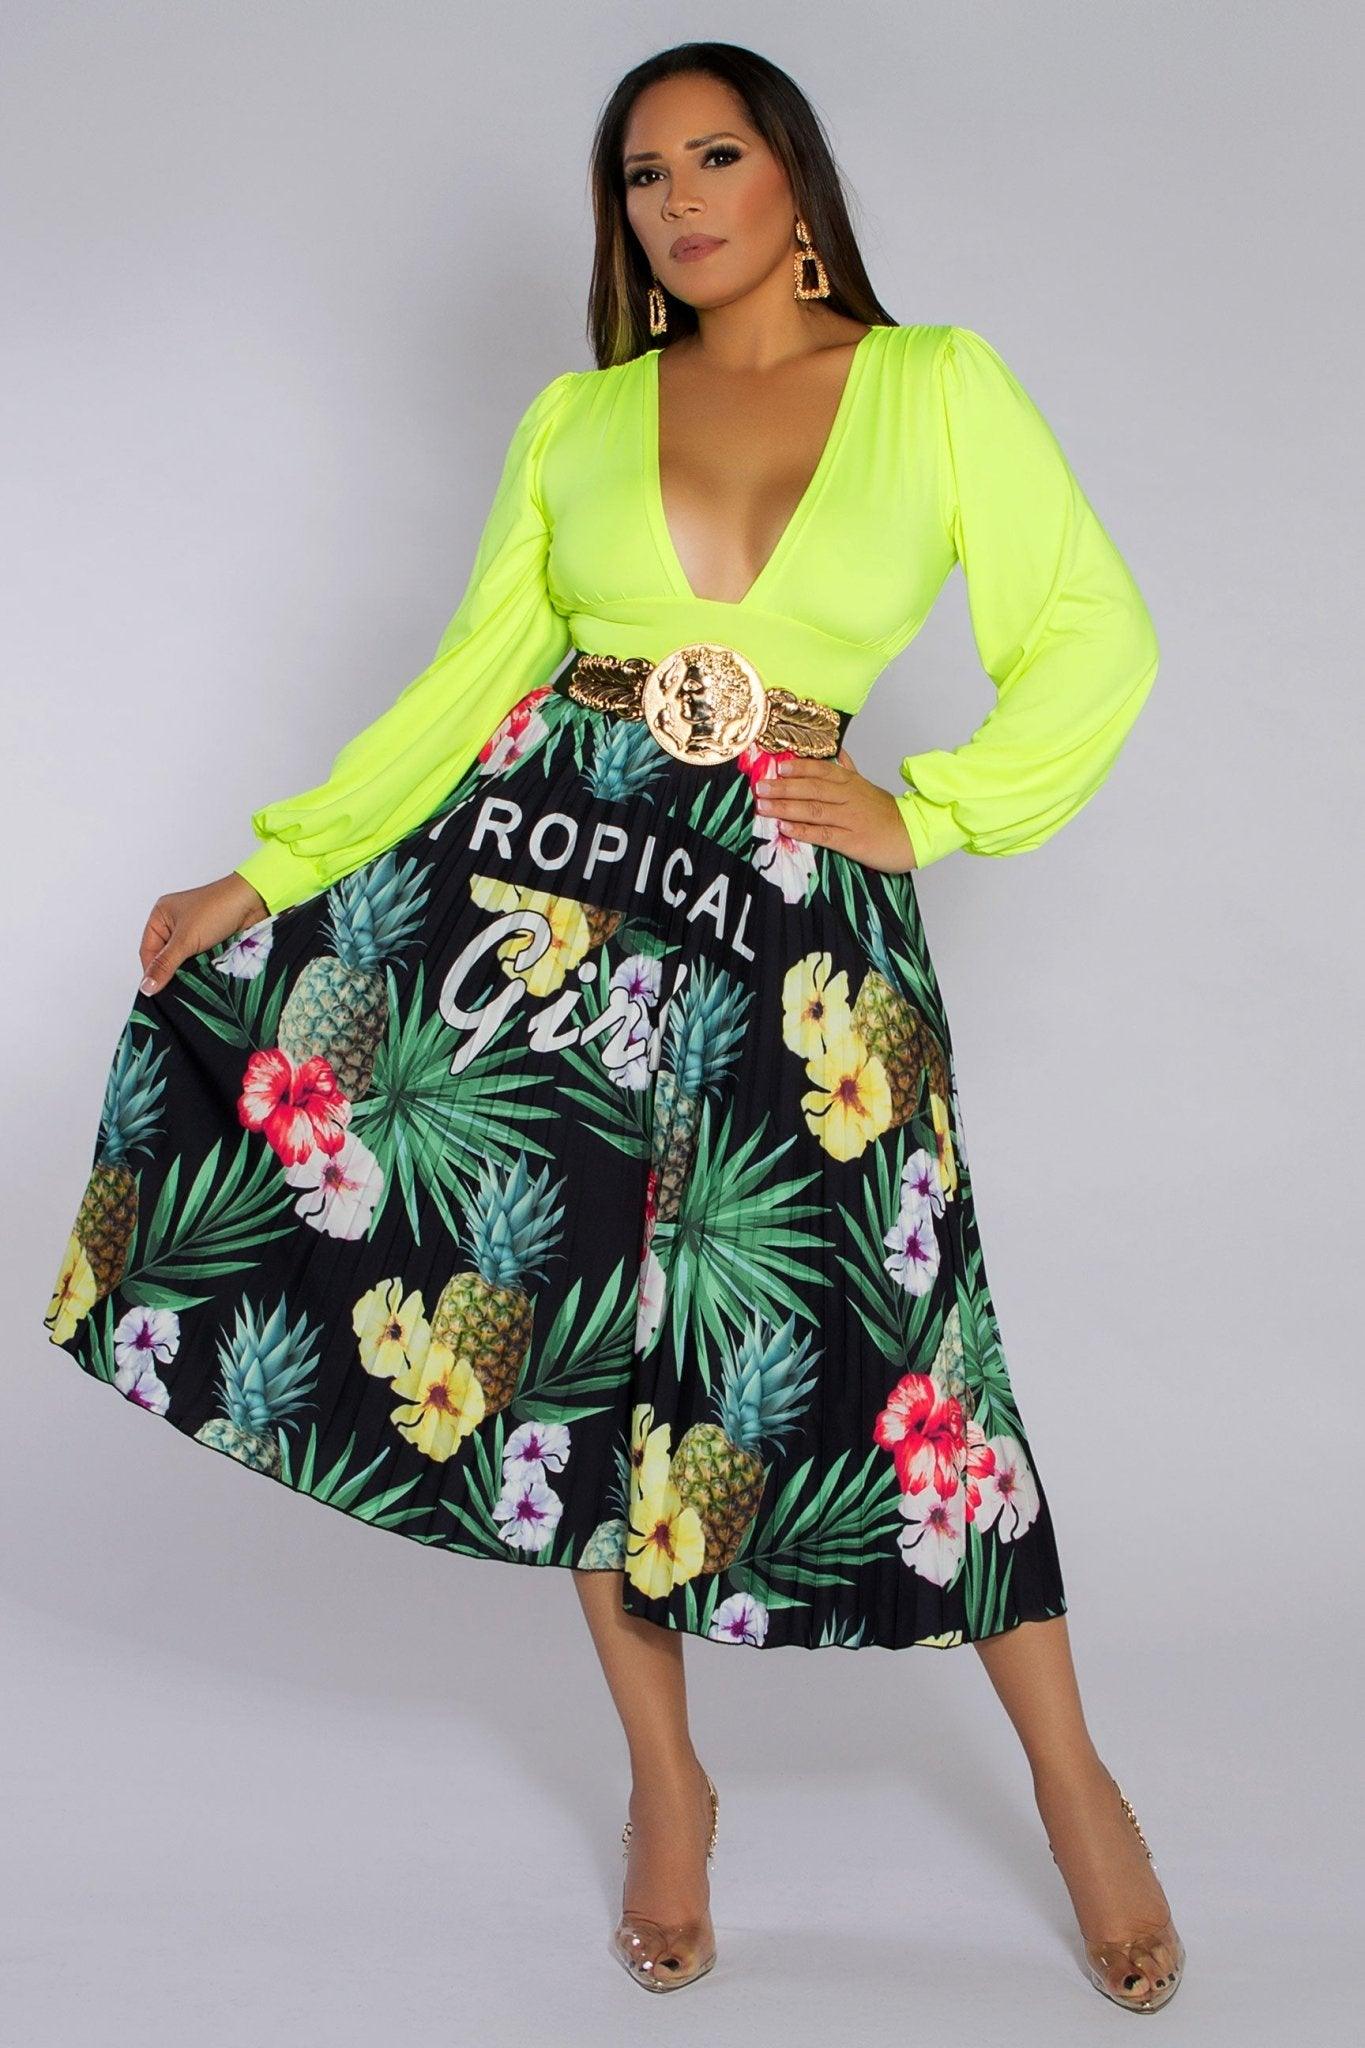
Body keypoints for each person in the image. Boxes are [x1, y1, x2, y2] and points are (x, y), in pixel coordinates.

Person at [43, 39, 1183, 2011]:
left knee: (909, 1345)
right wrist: (269, 868)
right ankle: (667, 1783)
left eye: (712, 156)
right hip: (553, 896)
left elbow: (1094, 632)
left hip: (790, 929)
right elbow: (470, 683)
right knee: (571, 1331)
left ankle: (1072, 1782)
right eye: (641, 174)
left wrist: (930, 812)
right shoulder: (577, 417)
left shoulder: (934, 387)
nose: (676, 200)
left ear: (794, 179)